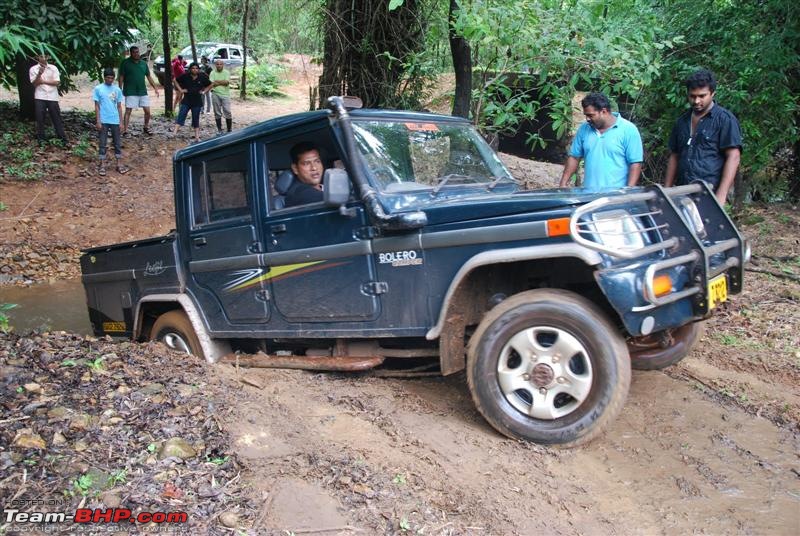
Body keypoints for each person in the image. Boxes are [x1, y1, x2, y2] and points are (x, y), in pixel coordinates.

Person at [664, 69, 742, 204]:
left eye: (702, 96)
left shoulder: (725, 120)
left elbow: (733, 157)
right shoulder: (682, 122)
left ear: (712, 93)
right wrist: (666, 192)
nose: (696, 101)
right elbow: (674, 155)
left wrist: (721, 196)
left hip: (710, 193)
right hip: (683, 193)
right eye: (692, 96)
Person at [560, 92, 643, 191]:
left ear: (603, 111)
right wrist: (563, 184)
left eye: (591, 115)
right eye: (586, 115)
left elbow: (635, 163)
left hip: (616, 198)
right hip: (588, 195)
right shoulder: (584, 129)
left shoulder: (628, 130)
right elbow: (574, 157)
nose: (587, 119)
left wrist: (628, 191)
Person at [93, 68, 129, 176]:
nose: (110, 80)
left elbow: (119, 106)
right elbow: (97, 106)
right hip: (104, 119)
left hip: (114, 120)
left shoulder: (117, 90)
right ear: (104, 77)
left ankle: (119, 164)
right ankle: (102, 165)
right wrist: (98, 120)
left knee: (117, 143)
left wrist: (121, 122)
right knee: (102, 143)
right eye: (108, 78)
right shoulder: (98, 89)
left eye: (112, 78)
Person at [118, 45, 160, 136]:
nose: (136, 54)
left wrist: (155, 88)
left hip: (142, 91)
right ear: (130, 53)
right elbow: (121, 76)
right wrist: (119, 89)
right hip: (130, 90)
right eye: (134, 52)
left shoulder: (143, 64)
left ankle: (146, 127)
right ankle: (125, 130)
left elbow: (149, 77)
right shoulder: (125, 63)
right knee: (128, 110)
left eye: (137, 52)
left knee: (147, 111)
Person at [29, 54, 68, 147]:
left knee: (56, 117)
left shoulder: (53, 68)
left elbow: (57, 82)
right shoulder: (33, 69)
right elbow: (34, 83)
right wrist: (39, 74)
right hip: (40, 96)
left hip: (52, 97)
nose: (43, 58)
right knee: (40, 118)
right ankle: (41, 140)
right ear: (37, 57)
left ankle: (62, 139)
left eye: (45, 56)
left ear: (48, 57)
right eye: (41, 56)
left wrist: (43, 81)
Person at [172, 62, 211, 143]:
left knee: (196, 119)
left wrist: (204, 91)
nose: (195, 70)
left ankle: (197, 137)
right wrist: (181, 90)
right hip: (186, 100)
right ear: (190, 69)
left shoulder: (202, 77)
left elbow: (210, 84)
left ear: (199, 69)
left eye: (196, 68)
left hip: (197, 101)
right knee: (181, 115)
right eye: (193, 68)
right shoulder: (185, 76)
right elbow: (175, 80)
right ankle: (174, 133)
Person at [285, 142, 324, 207]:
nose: (314, 168)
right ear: (295, 169)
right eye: (306, 163)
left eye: (317, 161)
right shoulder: (300, 193)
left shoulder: (322, 187)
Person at [209, 58, 233, 134]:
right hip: (215, 94)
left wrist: (217, 82)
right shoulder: (212, 72)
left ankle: (229, 130)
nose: (219, 65)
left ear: (223, 65)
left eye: (220, 64)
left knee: (227, 111)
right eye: (217, 64)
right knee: (217, 112)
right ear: (215, 65)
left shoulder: (226, 72)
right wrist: (221, 82)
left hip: (225, 94)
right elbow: (212, 83)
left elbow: (226, 82)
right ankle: (220, 130)